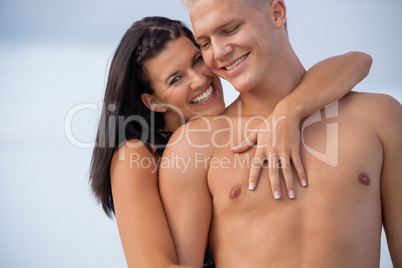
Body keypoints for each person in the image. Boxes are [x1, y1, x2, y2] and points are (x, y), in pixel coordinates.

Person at [89, 17, 373, 267]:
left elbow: (358, 61)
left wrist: (289, 111)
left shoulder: (223, 130)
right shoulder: (137, 154)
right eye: (176, 79)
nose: (199, 80)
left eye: (197, 60)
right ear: (154, 102)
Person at [159, 0, 402, 267]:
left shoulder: (380, 117)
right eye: (204, 43)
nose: (218, 53)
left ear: (277, 13)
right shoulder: (194, 145)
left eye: (229, 29)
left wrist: (288, 112)